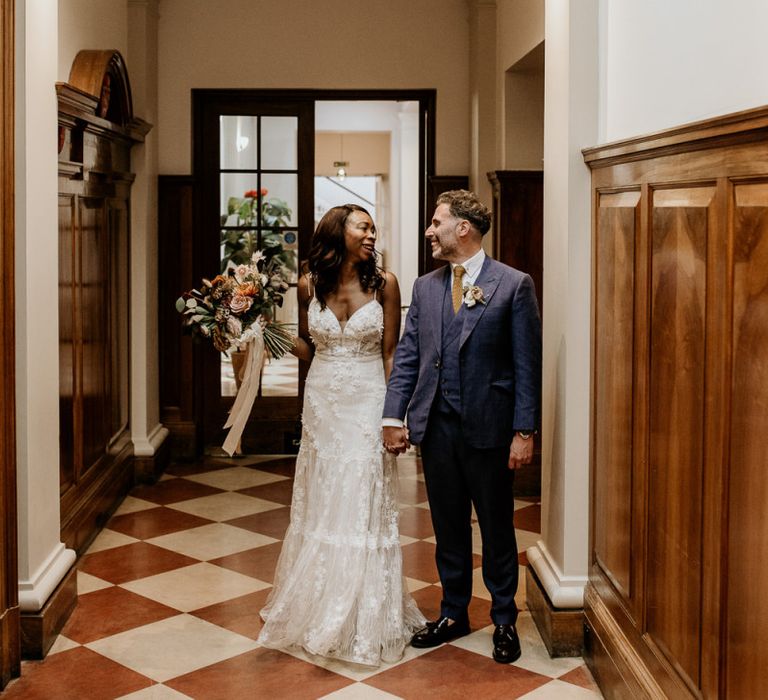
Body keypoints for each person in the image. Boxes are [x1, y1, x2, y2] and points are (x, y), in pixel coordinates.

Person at [257, 204, 425, 666]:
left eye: (373, 228)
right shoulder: (308, 283)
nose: (372, 234)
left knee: (364, 496)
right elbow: (308, 349)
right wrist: (262, 330)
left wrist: (395, 414)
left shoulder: (384, 283)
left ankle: (364, 613)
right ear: (338, 232)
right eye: (362, 227)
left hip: (369, 395)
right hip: (324, 397)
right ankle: (316, 601)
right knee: (326, 495)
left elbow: (391, 353)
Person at [382, 190, 541, 664]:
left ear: (463, 228)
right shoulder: (426, 287)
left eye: (437, 222)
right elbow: (409, 355)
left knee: (496, 527)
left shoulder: (513, 285)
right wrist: (394, 415)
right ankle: (453, 613)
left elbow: (525, 364)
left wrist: (524, 431)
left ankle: (505, 620)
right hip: (435, 427)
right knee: (447, 525)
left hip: (490, 429)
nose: (430, 230)